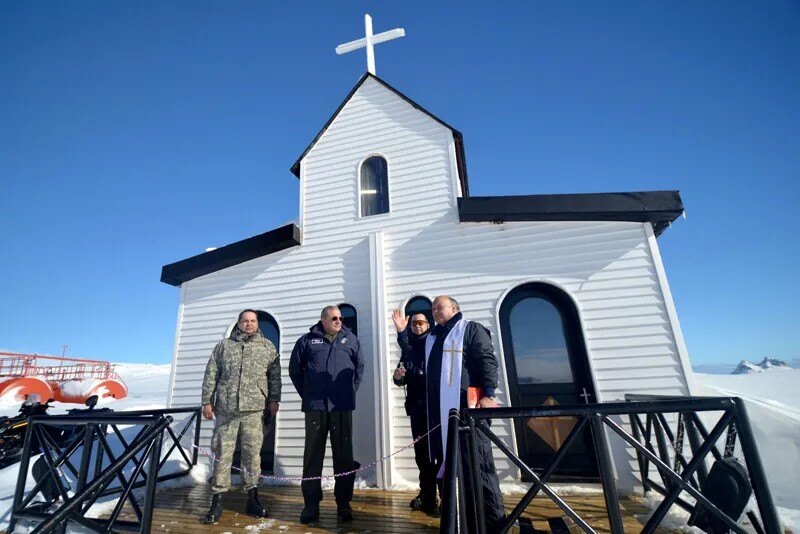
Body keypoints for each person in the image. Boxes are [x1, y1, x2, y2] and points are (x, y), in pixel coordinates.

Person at [425, 295, 506, 531]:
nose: (436, 312)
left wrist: (489, 395)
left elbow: (486, 361)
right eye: (433, 309)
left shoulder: (469, 329)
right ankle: (461, 519)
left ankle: (492, 522)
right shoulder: (433, 336)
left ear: (454, 308)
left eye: (440, 308)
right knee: (450, 467)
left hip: (466, 410)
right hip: (441, 415)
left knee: (479, 465)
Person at [200, 309, 281, 524]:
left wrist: (274, 399)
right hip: (226, 410)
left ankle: (253, 497)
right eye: (245, 320)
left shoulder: (267, 347)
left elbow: (274, 376)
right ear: (238, 323)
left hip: (254, 409)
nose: (249, 324)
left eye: (253, 321)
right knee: (221, 454)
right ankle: (217, 500)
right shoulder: (224, 346)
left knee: (252, 454)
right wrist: (207, 401)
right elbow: (211, 373)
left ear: (257, 324)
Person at [289, 305, 365, 524]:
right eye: (334, 318)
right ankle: (311, 504)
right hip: (316, 408)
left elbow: (359, 369)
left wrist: (348, 392)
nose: (339, 321)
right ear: (323, 320)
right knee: (313, 456)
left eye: (341, 318)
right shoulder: (307, 341)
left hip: (341, 407)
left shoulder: (351, 340)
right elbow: (295, 370)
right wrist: (309, 394)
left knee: (344, 456)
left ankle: (343, 503)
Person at [392, 310, 440, 517]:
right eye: (414, 324)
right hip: (417, 409)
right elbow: (402, 376)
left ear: (428, 325)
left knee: (439, 455)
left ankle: (444, 498)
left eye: (421, 322)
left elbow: (416, 348)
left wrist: (402, 333)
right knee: (422, 456)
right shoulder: (408, 351)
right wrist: (398, 376)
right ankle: (428, 495)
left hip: (436, 410)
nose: (417, 326)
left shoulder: (434, 342)